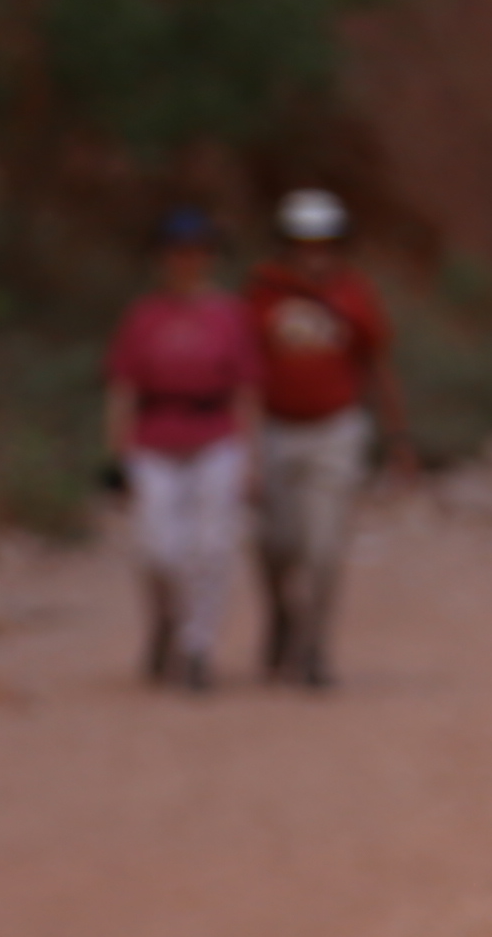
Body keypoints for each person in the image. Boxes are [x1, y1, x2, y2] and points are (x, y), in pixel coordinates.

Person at [242, 188, 405, 689]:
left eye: (323, 241)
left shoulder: (354, 295)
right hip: (273, 428)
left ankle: (315, 646)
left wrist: (398, 437)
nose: (314, 251)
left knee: (325, 545)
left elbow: (377, 364)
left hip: (335, 428)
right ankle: (281, 615)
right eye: (303, 241)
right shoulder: (263, 294)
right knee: (275, 542)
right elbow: (242, 370)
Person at [103, 212, 260, 690]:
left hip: (215, 438)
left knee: (212, 547)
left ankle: (198, 648)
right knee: (158, 548)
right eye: (177, 252)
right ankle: (167, 618)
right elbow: (123, 387)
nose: (186, 262)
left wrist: (251, 458)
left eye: (196, 252)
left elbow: (248, 388)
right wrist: (117, 454)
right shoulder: (144, 317)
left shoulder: (229, 315)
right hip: (154, 440)